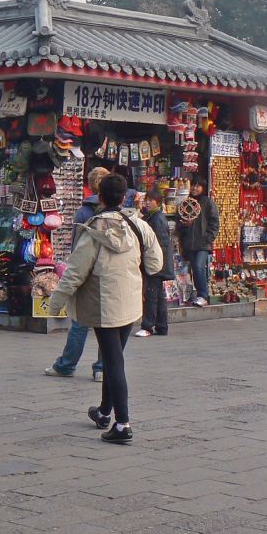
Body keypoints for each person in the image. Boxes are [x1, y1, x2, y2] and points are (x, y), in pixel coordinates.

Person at [46, 174, 163, 445]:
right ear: (124, 198)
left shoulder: (92, 231)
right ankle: (104, 411)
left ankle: (122, 424)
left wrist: (56, 302)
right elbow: (156, 264)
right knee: (114, 357)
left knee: (114, 361)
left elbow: (75, 272)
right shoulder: (139, 226)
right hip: (131, 302)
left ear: (100, 197)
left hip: (103, 304)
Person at [46, 167, 111, 379]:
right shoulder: (116, 210)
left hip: (86, 272)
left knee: (79, 322)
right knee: (106, 323)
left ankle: (66, 365)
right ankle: (102, 368)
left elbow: (76, 246)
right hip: (109, 272)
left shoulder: (84, 211)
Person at [136, 187, 175, 337]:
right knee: (158, 295)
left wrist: (153, 262)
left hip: (156, 263)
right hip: (158, 263)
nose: (147, 203)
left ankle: (147, 326)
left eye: (150, 200)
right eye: (146, 200)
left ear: (158, 202)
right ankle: (161, 326)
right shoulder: (152, 217)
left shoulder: (157, 219)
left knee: (152, 294)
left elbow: (158, 245)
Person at [178, 179, 219, 308]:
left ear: (203, 187)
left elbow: (214, 222)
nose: (195, 188)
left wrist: (208, 238)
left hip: (203, 243)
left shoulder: (207, 202)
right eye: (193, 186)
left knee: (199, 266)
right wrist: (185, 225)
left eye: (198, 185)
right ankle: (196, 294)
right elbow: (179, 221)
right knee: (193, 269)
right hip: (190, 242)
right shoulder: (186, 203)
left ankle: (203, 295)